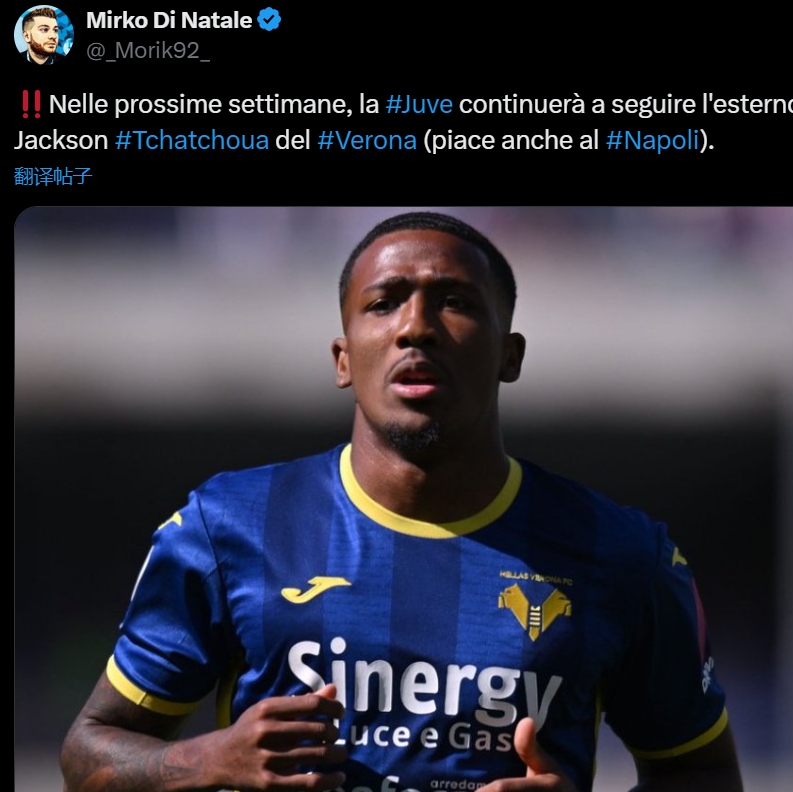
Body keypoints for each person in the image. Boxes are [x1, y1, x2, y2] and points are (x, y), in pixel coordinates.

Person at [60, 212, 743, 792]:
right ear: (343, 358)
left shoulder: (622, 554)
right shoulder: (229, 526)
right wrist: (212, 760)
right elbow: (87, 755)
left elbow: (704, 775)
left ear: (509, 355)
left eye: (455, 301)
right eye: (384, 302)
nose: (416, 327)